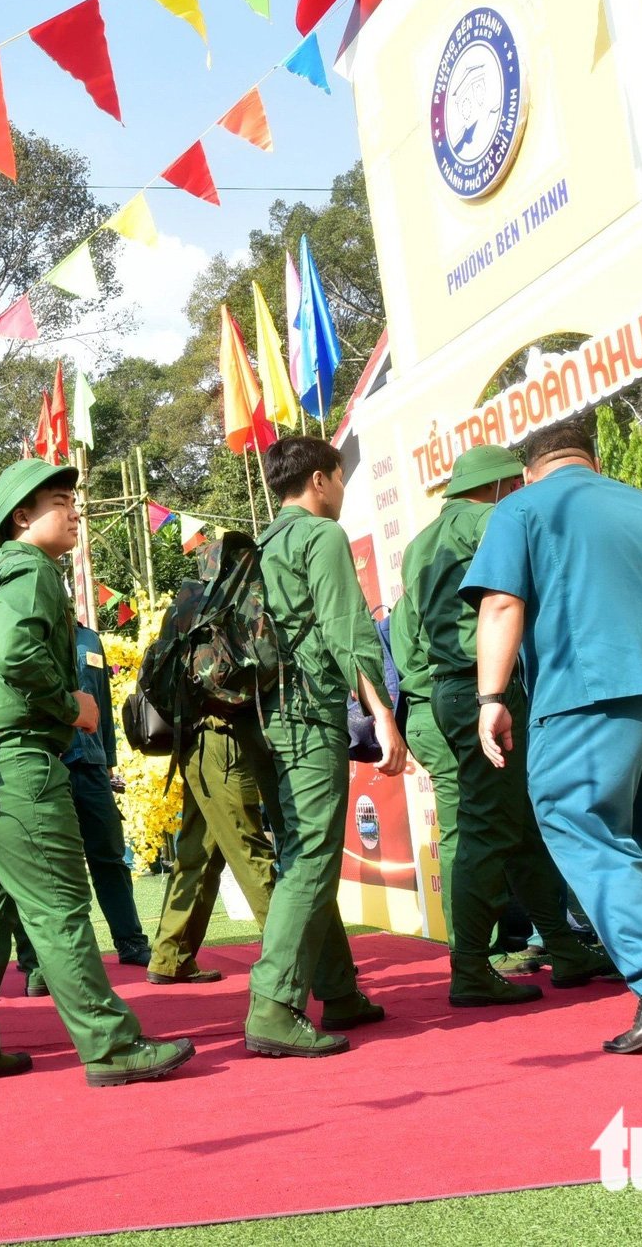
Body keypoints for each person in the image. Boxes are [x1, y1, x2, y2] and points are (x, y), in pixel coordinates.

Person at [463, 416, 642, 1054]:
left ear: (528, 469)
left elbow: (501, 604)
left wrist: (491, 697)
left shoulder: (520, 507)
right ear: (594, 460)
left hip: (589, 686)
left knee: (576, 817)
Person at [0, 458, 194, 1088]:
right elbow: (21, 654)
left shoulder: (1, 573)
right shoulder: (30, 569)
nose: (75, 511)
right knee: (59, 905)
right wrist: (68, 705)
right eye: (59, 501)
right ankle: (110, 1046)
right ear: (22, 517)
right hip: (20, 762)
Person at [391, 445, 611, 1008]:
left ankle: (562, 948)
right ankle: (469, 968)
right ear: (502, 486)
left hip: (446, 692)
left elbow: (407, 635)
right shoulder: (496, 520)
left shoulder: (419, 544)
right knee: (489, 832)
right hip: (489, 690)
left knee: (517, 828)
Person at [243, 437, 405, 1060]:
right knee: (311, 857)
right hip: (307, 714)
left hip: (261, 717)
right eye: (340, 478)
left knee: (299, 853)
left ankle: (338, 990)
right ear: (320, 480)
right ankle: (274, 1006)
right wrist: (382, 716)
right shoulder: (320, 537)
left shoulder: (261, 544)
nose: (342, 491)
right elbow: (347, 629)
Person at [146, 540, 278, 987]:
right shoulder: (244, 600)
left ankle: (170, 956)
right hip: (226, 740)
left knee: (197, 854)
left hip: (192, 741)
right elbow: (267, 668)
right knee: (250, 851)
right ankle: (306, 956)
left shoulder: (186, 601)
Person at [65, 623, 153, 969]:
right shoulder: (31, 629)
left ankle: (130, 942)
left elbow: (101, 702)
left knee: (110, 855)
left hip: (93, 763)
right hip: (49, 762)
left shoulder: (89, 639)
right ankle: (38, 962)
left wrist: (109, 763)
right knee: (51, 866)